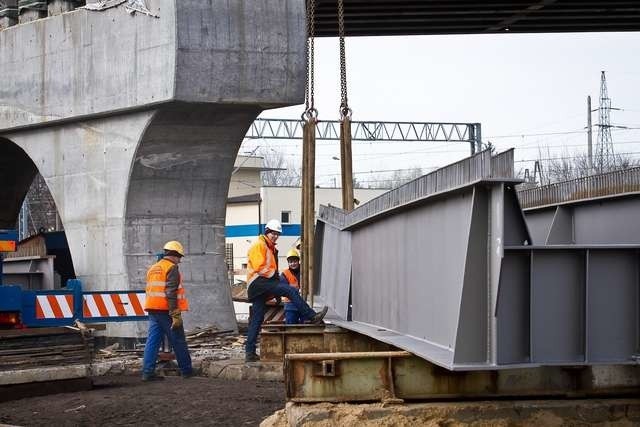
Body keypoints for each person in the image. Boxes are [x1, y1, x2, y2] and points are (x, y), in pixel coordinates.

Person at [245, 219, 328, 362]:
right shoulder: (259, 245)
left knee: (257, 319)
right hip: (259, 282)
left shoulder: (270, 247)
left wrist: (275, 290)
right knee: (290, 291)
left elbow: (269, 270)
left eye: (277, 234)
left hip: (259, 286)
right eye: (273, 233)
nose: (275, 236)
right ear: (267, 232)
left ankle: (249, 353)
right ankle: (312, 316)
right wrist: (276, 286)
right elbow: (260, 268)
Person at [142, 240, 193, 380]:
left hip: (152, 308)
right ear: (175, 255)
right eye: (180, 257)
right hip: (166, 310)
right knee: (178, 340)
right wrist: (175, 313)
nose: (180, 261)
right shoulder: (171, 268)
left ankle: (147, 372)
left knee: (152, 341)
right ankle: (187, 371)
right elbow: (171, 292)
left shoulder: (154, 268)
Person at [280, 248, 302, 324]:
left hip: (304, 303)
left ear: (298, 261)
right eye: (290, 262)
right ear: (288, 263)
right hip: (290, 305)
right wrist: (297, 291)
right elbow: (283, 289)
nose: (293, 264)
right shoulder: (284, 274)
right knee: (290, 327)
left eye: (295, 261)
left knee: (306, 326)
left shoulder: (305, 271)